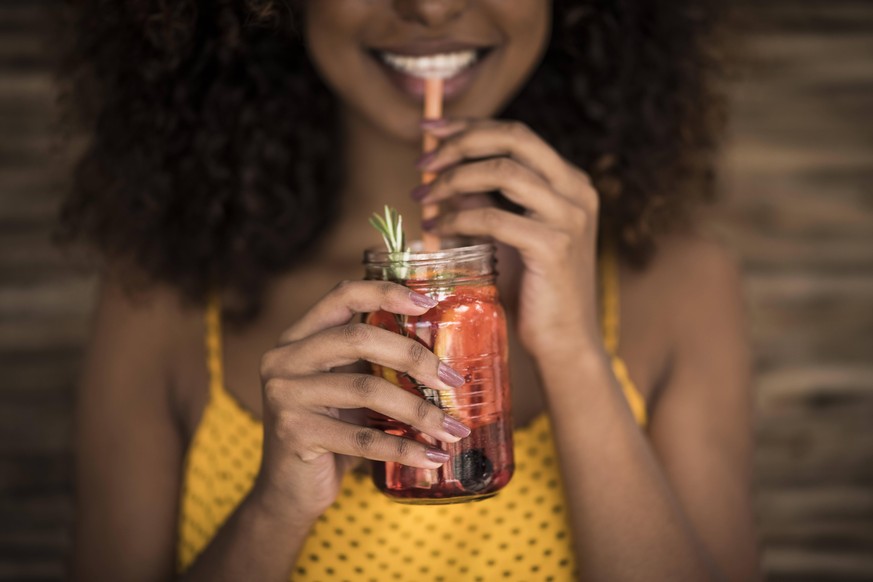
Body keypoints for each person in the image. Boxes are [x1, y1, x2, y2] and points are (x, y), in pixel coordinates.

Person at [60, 0, 760, 580]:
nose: (430, 6)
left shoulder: (684, 288)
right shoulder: (161, 300)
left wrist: (573, 354)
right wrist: (273, 511)